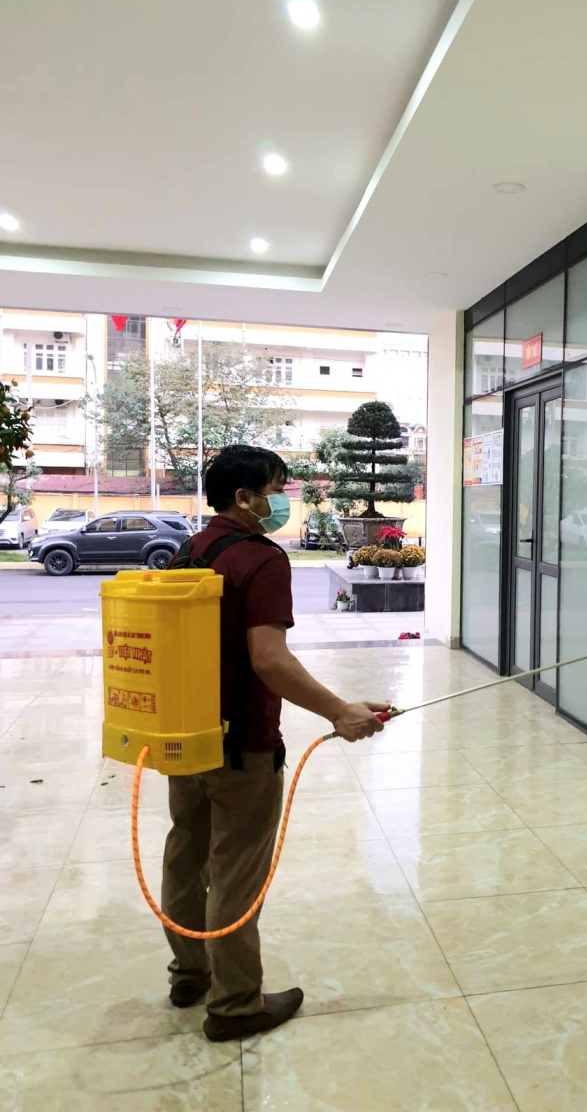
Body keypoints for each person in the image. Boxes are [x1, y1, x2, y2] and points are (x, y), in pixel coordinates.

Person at [161, 444, 388, 1043]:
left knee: (186, 855)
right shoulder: (261, 560)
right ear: (244, 498)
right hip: (243, 743)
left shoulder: (190, 549)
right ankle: (236, 1005)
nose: (281, 500)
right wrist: (339, 711)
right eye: (276, 489)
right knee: (235, 871)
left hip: (186, 734)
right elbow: (269, 659)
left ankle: (190, 975)